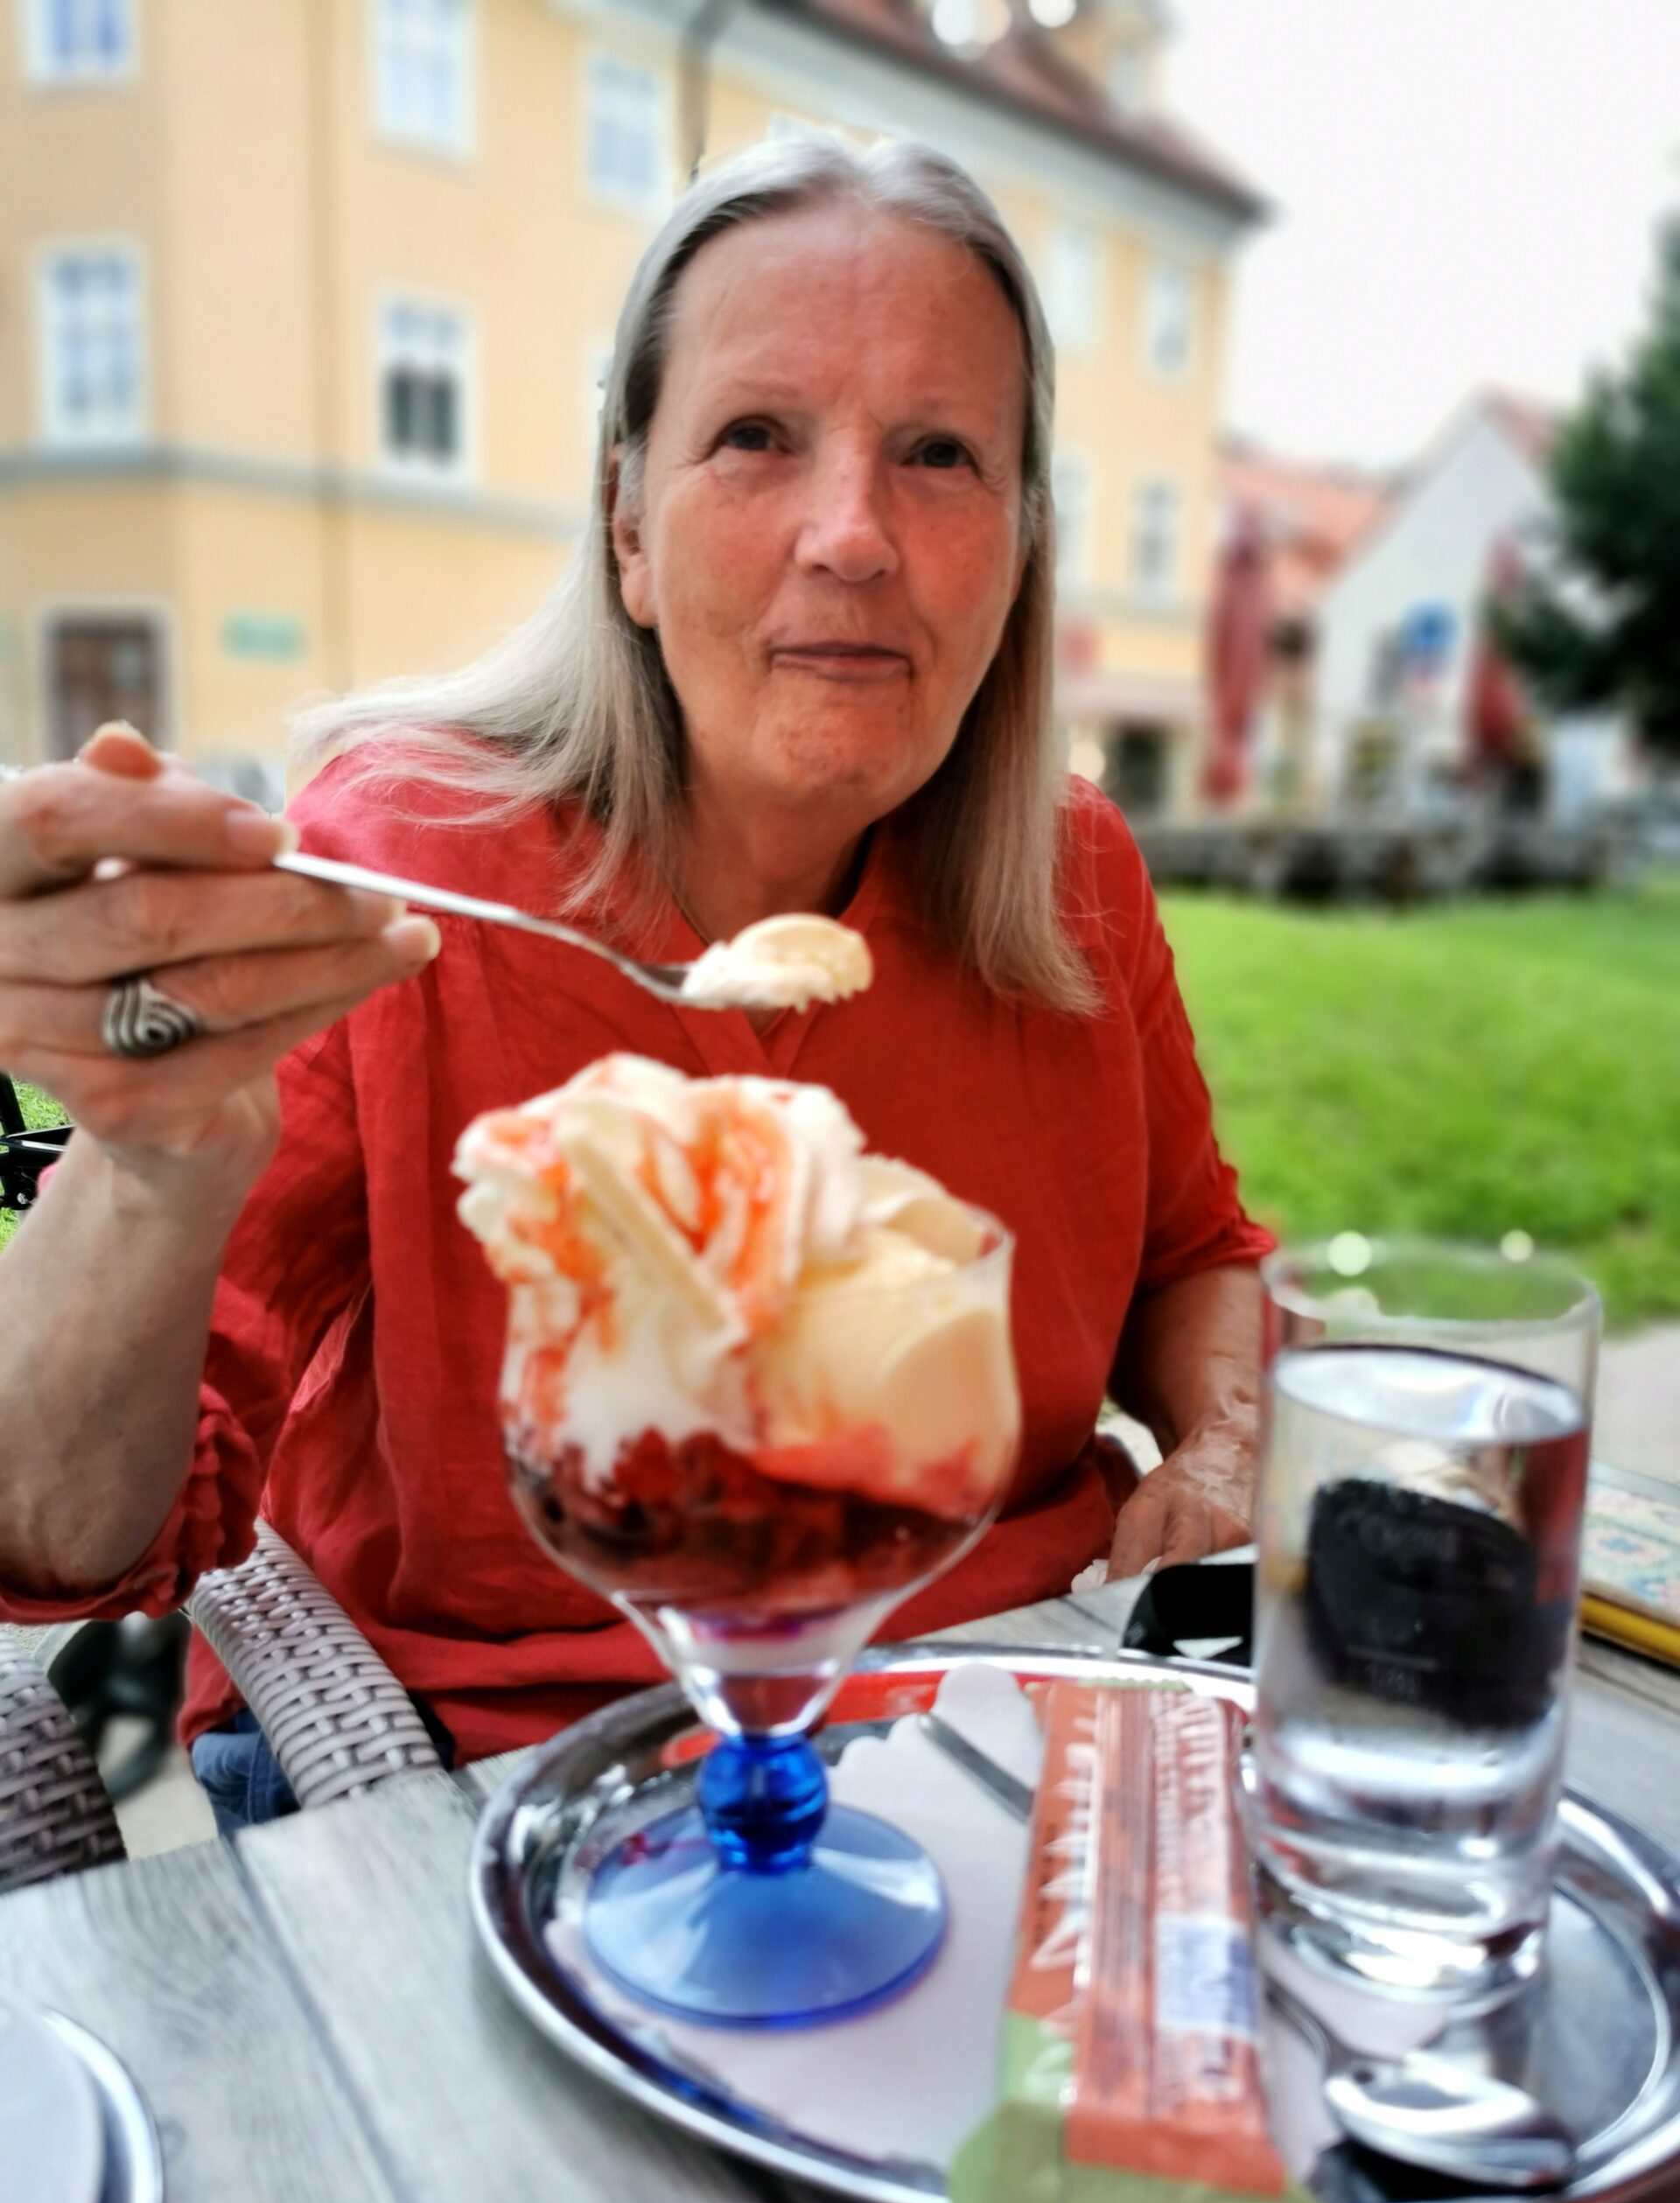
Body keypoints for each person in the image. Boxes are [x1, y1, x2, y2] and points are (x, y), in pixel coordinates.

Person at [0, 137, 1268, 1830]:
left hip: (1018, 1732)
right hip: (494, 1787)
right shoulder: (404, 881)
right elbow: (62, 1533)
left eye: (940, 454)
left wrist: (1230, 1445)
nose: (852, 534)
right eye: (756, 436)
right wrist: (152, 1166)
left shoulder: (1073, 877)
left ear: (1022, 546)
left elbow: (1192, 1256)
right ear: (627, 527)